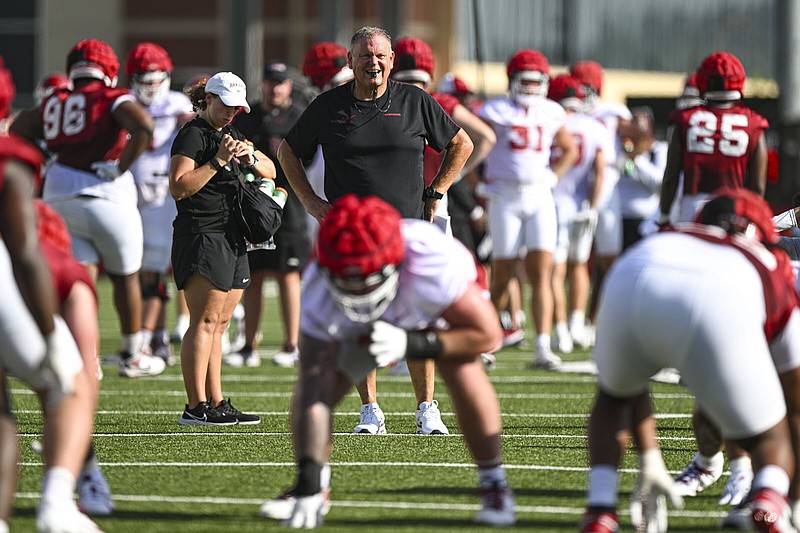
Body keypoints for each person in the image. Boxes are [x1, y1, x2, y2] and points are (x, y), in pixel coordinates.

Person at [260, 194, 516, 528]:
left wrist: (414, 343)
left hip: (426, 315)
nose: (356, 291)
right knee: (318, 385)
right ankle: (311, 485)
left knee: (462, 366)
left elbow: (487, 335)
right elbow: (312, 387)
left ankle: (494, 483)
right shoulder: (318, 284)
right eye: (345, 281)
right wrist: (309, 476)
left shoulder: (431, 261)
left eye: (364, 280)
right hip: (364, 329)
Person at [277, 26, 474, 434]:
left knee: (418, 320)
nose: (374, 62)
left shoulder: (415, 100)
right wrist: (312, 203)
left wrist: (438, 188)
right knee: (359, 323)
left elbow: (461, 144)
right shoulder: (327, 105)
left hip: (409, 231)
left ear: (392, 61)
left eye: (381, 55)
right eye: (365, 56)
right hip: (355, 239)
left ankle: (427, 409)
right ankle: (370, 410)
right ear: (350, 62)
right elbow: (287, 152)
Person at [581, 188, 800, 533]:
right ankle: (769, 503)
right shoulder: (768, 263)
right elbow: (794, 401)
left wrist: (649, 455)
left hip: (631, 272)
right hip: (719, 298)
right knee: (772, 433)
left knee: (612, 397)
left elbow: (629, 388)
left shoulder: (673, 234)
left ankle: (601, 509)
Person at [9, 38, 165, 379]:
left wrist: (47, 157)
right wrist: (122, 165)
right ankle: (133, 353)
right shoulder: (111, 96)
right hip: (107, 194)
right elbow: (143, 126)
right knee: (126, 277)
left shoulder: (55, 100)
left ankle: (85, 354)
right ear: (108, 69)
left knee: (80, 278)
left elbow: (19, 129)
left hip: (59, 196)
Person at [0, 55, 102, 533]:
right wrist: (49, 332)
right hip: (15, 282)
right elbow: (23, 250)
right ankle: (58, 502)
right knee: (70, 384)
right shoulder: (59, 263)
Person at [170, 72, 277, 426]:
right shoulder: (192, 134)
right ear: (209, 100)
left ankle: (215, 401)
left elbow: (270, 170)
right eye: (226, 106)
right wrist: (216, 161)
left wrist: (247, 158)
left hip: (232, 236)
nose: (232, 113)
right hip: (202, 234)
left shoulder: (231, 134)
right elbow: (179, 187)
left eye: (237, 108)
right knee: (203, 320)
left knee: (220, 323)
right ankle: (195, 404)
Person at [477, 48, 578, 368]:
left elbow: (569, 150)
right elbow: (467, 145)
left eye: (537, 82)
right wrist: (475, 185)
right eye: (526, 81)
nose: (532, 88)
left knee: (542, 273)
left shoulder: (550, 112)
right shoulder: (493, 110)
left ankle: (543, 345)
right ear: (512, 80)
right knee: (503, 271)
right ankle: (487, 340)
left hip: (539, 197)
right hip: (504, 196)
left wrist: (553, 175)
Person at [229, 60, 311, 369]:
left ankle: (292, 345)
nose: (275, 88)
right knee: (255, 275)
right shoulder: (248, 116)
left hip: (288, 204)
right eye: (270, 82)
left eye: (281, 82)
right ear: (262, 84)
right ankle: (250, 344)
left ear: (289, 86)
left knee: (288, 274)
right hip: (252, 205)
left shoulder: (299, 117)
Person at [125, 42, 195, 365]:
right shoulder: (124, 105)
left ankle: (148, 339)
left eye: (157, 80)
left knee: (156, 270)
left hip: (164, 196)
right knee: (141, 271)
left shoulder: (177, 103)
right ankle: (156, 337)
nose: (152, 88)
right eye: (145, 80)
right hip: (133, 196)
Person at [659, 51, 769, 223]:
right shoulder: (754, 123)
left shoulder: (685, 119)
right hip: (734, 210)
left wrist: (664, 216)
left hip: (692, 209)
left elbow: (671, 177)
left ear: (703, 81)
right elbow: (758, 186)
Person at [546, 74, 606, 354]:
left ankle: (561, 331)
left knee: (556, 270)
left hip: (554, 201)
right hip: (582, 204)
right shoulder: (594, 126)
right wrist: (593, 206)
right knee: (580, 265)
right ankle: (576, 324)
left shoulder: (551, 120)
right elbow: (600, 170)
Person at [617, 106, 668, 251]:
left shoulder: (659, 150)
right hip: (619, 219)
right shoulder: (622, 149)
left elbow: (659, 183)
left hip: (646, 221)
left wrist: (637, 158)